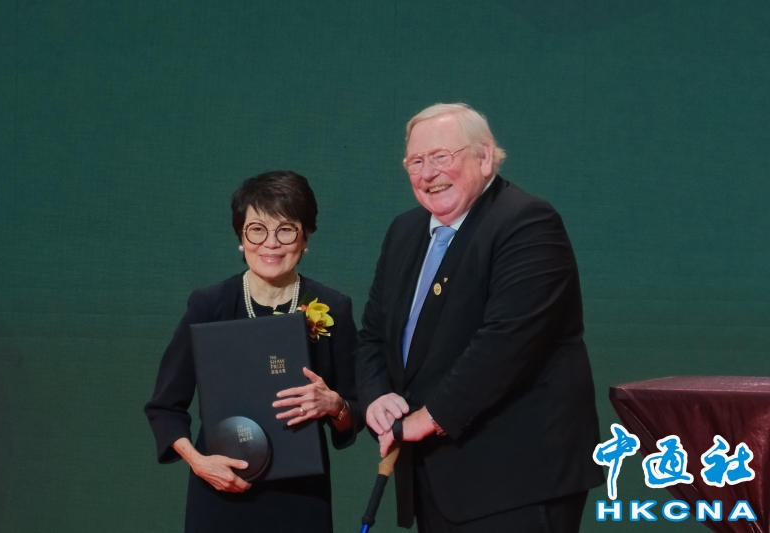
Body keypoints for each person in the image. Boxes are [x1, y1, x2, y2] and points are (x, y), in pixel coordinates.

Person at [355, 103, 605, 532]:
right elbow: (374, 336)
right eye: (416, 161)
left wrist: (426, 418)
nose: (428, 173)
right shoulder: (404, 231)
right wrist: (376, 397)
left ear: (485, 157)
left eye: (441, 157)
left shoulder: (526, 221)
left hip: (516, 482)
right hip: (435, 480)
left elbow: (507, 343)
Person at [145, 170, 362, 533]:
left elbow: (356, 411)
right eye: (257, 230)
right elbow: (165, 406)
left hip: (301, 498)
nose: (270, 244)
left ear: (306, 236)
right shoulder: (209, 305)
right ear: (241, 238)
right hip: (220, 490)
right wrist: (199, 462)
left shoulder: (333, 307)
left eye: (286, 229)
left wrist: (334, 405)